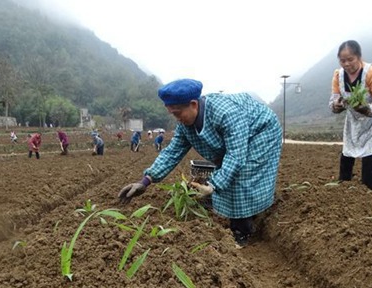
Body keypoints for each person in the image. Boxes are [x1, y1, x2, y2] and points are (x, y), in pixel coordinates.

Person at [118, 78, 282, 248]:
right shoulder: (185, 124)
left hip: (261, 130)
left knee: (242, 174)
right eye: (172, 114)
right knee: (226, 172)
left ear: (194, 104)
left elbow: (236, 156)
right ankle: (226, 204)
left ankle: (242, 230)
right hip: (241, 136)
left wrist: (213, 185)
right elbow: (172, 152)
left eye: (177, 113)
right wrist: (145, 181)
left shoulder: (226, 113)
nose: (177, 118)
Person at [329, 40, 372, 190]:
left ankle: (368, 191)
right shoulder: (338, 75)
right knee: (347, 153)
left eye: (350, 59)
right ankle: (342, 186)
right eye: (342, 60)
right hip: (355, 120)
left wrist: (367, 109)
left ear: (359, 57)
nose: (346, 64)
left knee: (369, 157)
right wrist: (336, 105)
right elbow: (333, 99)